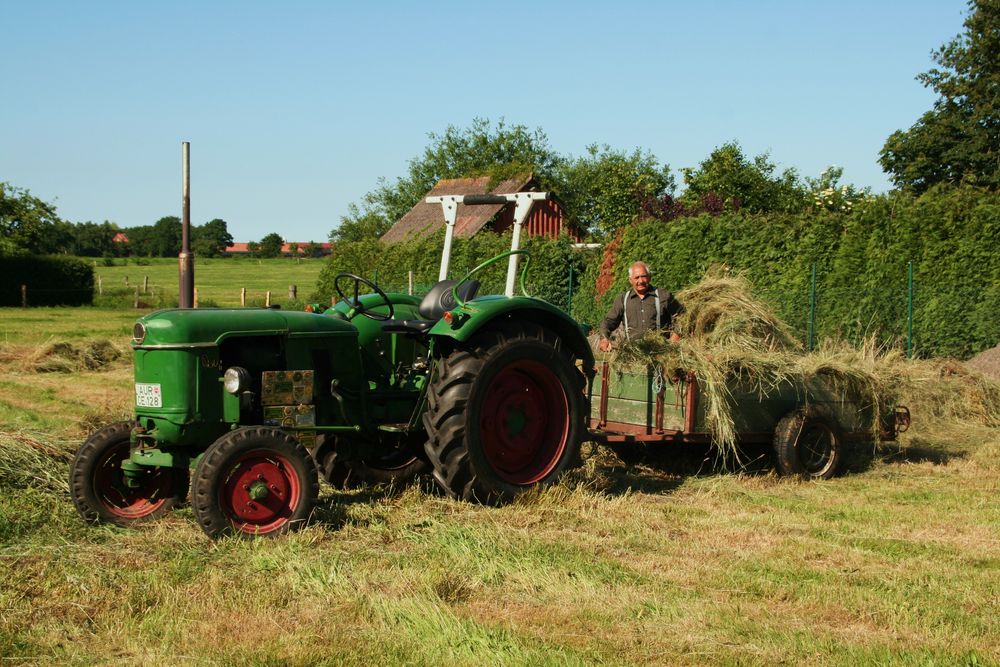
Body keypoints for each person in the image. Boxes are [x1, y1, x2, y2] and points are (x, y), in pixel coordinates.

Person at [599, 261, 682, 352]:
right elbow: (608, 322)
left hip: (661, 352)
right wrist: (604, 338)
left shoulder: (663, 295)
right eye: (637, 277)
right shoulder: (623, 299)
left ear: (649, 278)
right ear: (630, 280)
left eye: (644, 276)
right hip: (633, 355)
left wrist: (676, 335)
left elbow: (682, 316)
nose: (641, 281)